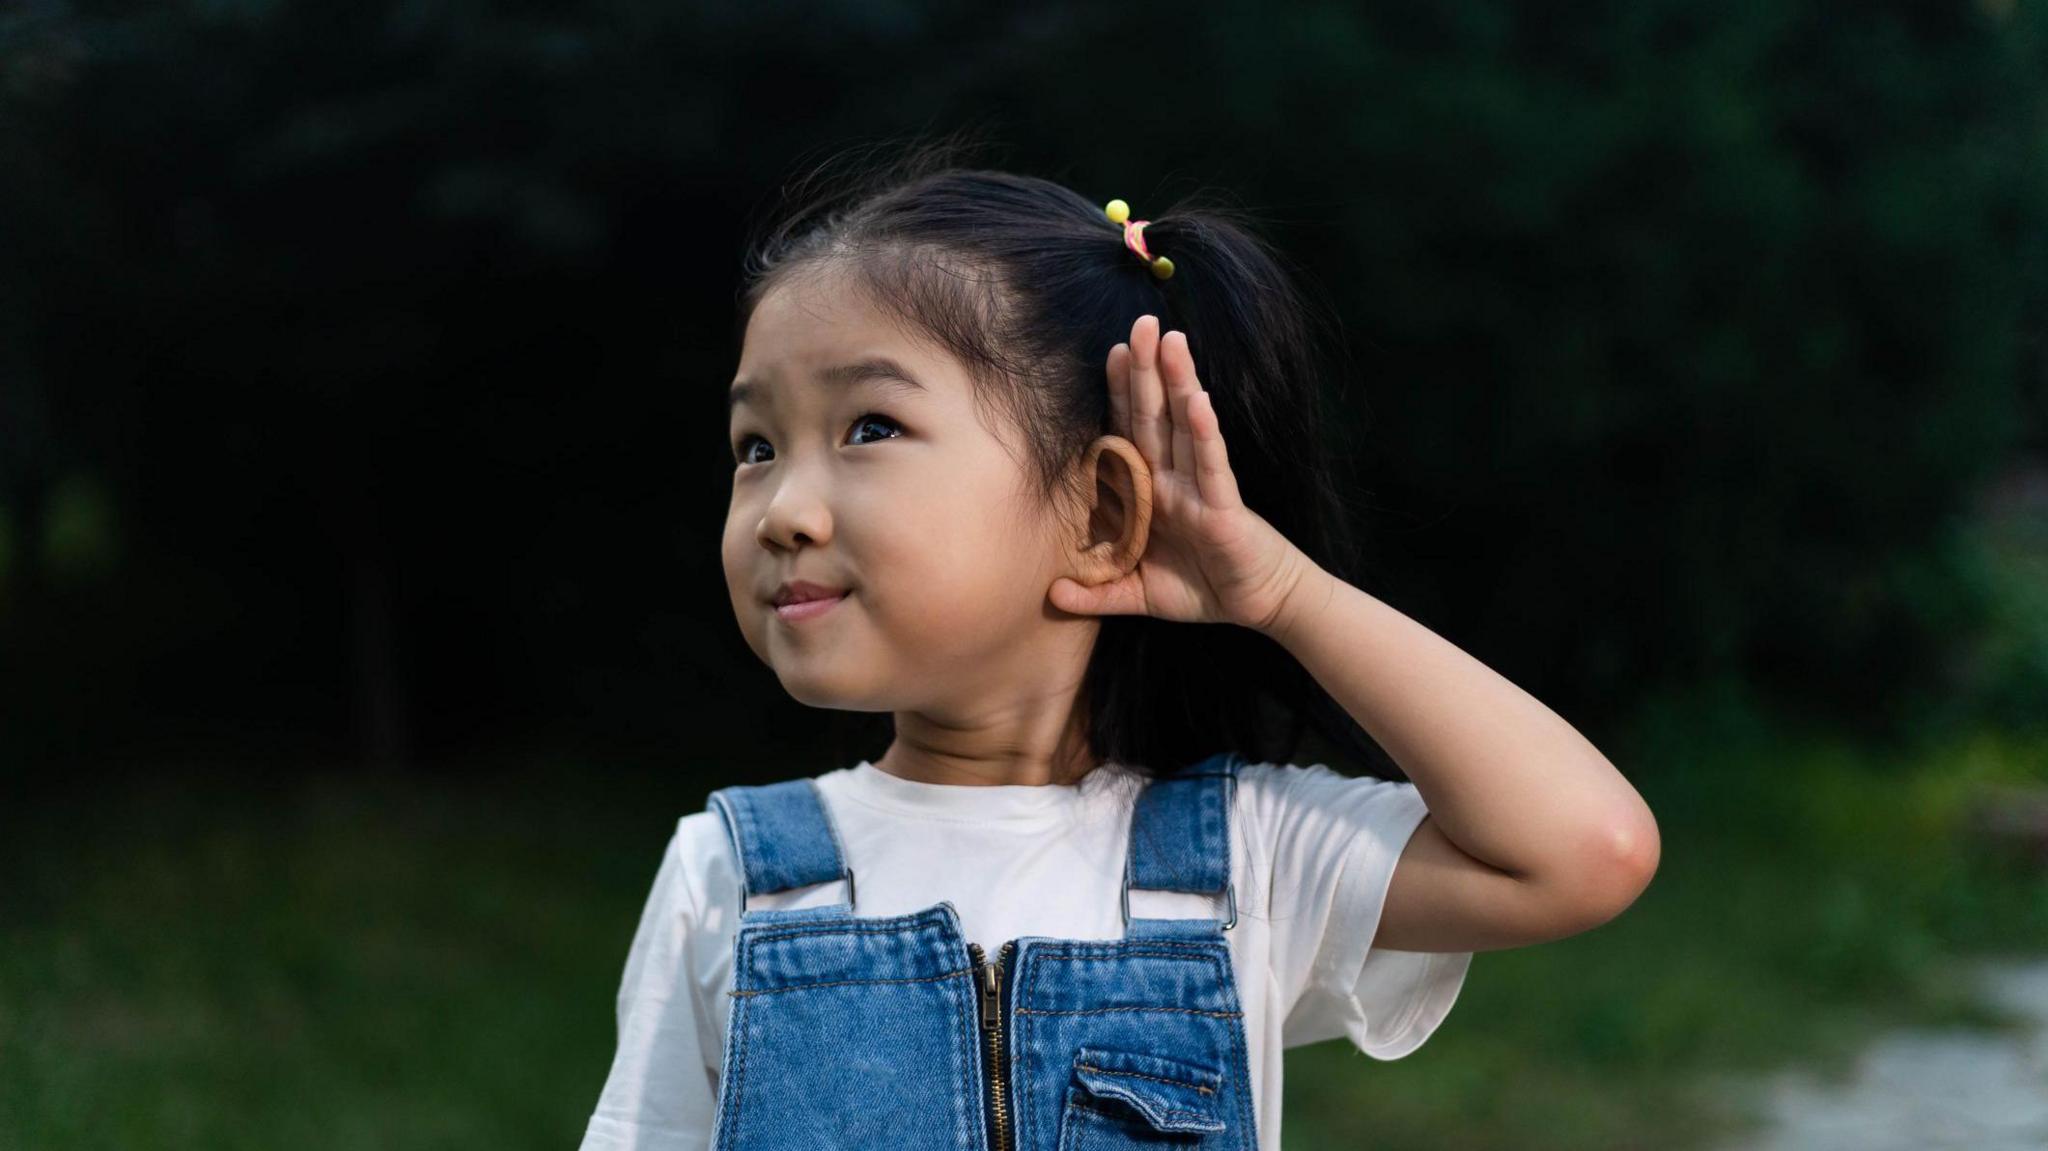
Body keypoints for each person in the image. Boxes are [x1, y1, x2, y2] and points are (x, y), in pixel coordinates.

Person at [577, 136, 1660, 1151]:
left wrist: (1282, 593)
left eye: (869, 427)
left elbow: (1584, 850)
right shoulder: (736, 878)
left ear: (1098, 512)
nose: (782, 510)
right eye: (754, 444)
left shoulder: (1240, 863)